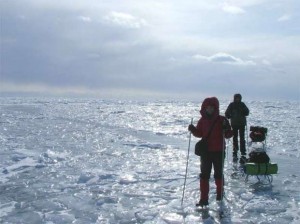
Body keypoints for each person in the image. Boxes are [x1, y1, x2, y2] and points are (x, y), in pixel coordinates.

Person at [188, 97, 233, 207]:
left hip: (218, 151)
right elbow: (200, 133)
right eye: (207, 108)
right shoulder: (202, 120)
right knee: (204, 176)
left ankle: (220, 194)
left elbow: (228, 135)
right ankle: (203, 199)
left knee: (218, 174)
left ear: (215, 108)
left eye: (211, 108)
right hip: (206, 152)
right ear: (204, 108)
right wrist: (193, 130)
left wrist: (228, 129)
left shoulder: (222, 119)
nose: (209, 109)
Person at [225, 93, 249, 163]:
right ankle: (235, 150)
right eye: (236, 98)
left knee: (242, 138)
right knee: (235, 138)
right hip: (234, 124)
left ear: (240, 98)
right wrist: (229, 116)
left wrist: (244, 112)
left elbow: (247, 112)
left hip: (242, 123)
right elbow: (226, 113)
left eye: (238, 98)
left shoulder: (242, 104)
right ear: (234, 98)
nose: (237, 99)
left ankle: (243, 151)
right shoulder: (232, 105)